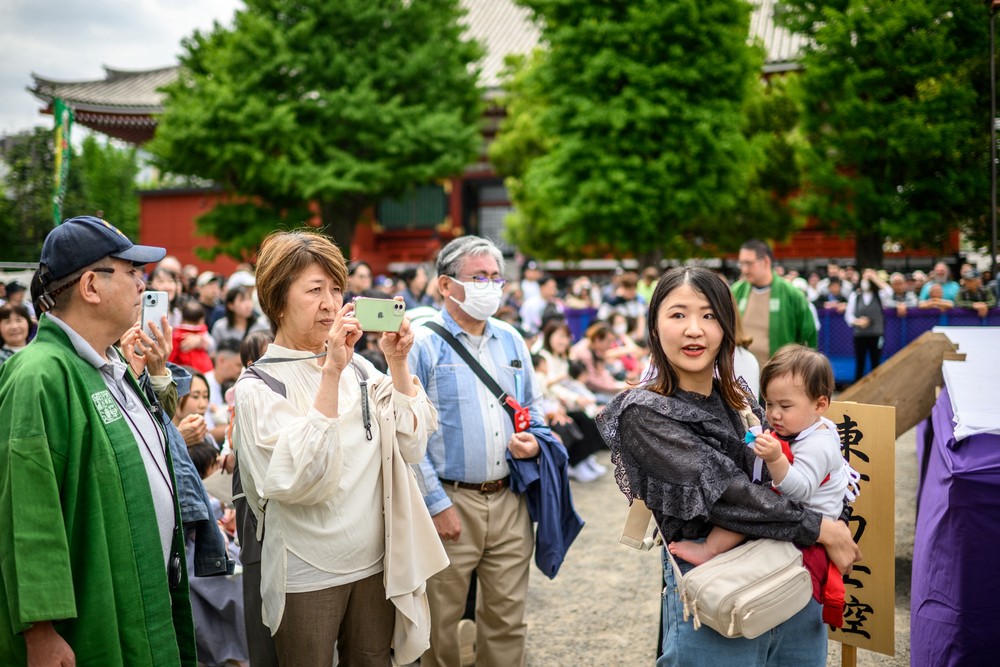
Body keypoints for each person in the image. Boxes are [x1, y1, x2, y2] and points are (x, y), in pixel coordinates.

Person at [597, 266, 861, 667]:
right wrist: (821, 527)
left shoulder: (739, 398)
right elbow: (728, 495)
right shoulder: (645, 412)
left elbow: (793, 462)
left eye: (709, 315)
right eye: (678, 314)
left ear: (726, 327)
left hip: (791, 578)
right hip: (719, 594)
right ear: (654, 327)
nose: (694, 330)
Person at [232, 230, 444, 666]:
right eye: (314, 290)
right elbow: (301, 480)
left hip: (376, 561)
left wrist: (398, 362)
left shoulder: (360, 367)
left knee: (372, 660)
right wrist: (330, 373)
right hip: (306, 570)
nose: (330, 304)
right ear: (277, 301)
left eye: (335, 289)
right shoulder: (258, 386)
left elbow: (412, 441)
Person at [0, 215, 196, 665]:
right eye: (131, 272)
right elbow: (27, 511)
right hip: (88, 616)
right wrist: (40, 629)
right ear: (91, 286)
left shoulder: (111, 365)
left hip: (141, 591)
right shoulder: (38, 374)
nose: (142, 284)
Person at [409, 235, 576, 667]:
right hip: (451, 500)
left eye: (496, 277)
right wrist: (436, 503)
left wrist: (533, 439)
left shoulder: (512, 339)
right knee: (439, 620)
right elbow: (407, 436)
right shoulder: (422, 345)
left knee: (507, 617)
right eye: (478, 277)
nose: (491, 286)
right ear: (446, 285)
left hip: (509, 496)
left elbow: (531, 406)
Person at [668, 344, 857, 626]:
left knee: (749, 507)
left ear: (820, 405)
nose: (774, 414)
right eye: (769, 404)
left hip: (809, 519)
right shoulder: (802, 427)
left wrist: (776, 459)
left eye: (785, 406)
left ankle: (710, 550)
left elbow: (800, 489)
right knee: (750, 501)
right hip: (801, 511)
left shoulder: (818, 444)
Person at [732, 239, 818, 367]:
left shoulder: (792, 295)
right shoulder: (735, 292)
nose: (744, 269)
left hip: (780, 372)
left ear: (766, 261)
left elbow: (808, 338)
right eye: (741, 264)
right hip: (740, 372)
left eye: (748, 263)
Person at [844, 268, 892, 381]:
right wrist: (857, 321)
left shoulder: (880, 295)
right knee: (860, 362)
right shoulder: (855, 296)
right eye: (864, 277)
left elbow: (890, 292)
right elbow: (848, 315)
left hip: (876, 334)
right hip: (860, 335)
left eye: (868, 278)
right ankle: (857, 386)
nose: (865, 280)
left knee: (876, 362)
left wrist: (874, 277)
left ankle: (876, 385)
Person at [171, 299, 215, 374]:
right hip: (206, 370)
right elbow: (212, 347)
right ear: (201, 320)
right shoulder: (203, 332)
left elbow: (171, 357)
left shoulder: (176, 335)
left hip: (185, 373)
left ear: (182, 318)